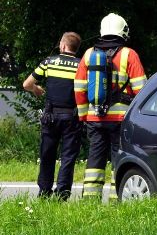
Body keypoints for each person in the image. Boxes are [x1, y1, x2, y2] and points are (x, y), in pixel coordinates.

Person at [74, 13, 147, 200]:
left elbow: (80, 87)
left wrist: (83, 116)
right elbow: (142, 90)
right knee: (119, 158)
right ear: (123, 31)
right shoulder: (129, 55)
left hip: (94, 117)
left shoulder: (89, 54)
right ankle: (117, 199)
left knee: (95, 159)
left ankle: (90, 199)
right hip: (120, 119)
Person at [23, 32, 82, 200]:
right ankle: (62, 194)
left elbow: (27, 84)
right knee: (68, 157)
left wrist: (37, 90)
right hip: (72, 117)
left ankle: (44, 192)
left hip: (50, 117)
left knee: (47, 154)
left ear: (63, 46)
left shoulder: (48, 62)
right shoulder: (80, 66)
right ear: (76, 48)